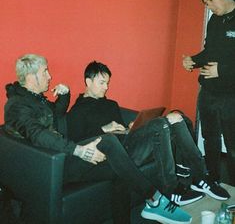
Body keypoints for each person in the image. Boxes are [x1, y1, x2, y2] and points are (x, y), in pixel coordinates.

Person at [4, 54, 192, 224]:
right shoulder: (16, 105)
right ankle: (154, 199)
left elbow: (58, 115)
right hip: (53, 165)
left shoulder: (36, 100)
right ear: (30, 77)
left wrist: (65, 94)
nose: (49, 76)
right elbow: (38, 134)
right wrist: (78, 150)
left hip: (63, 155)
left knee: (121, 167)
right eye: (44, 72)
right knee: (108, 141)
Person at [67, 60, 230, 204]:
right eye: (102, 83)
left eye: (107, 83)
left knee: (177, 118)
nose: (106, 87)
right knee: (160, 124)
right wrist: (104, 129)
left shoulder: (111, 105)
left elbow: (123, 131)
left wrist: (130, 127)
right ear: (88, 82)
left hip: (128, 145)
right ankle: (172, 190)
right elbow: (77, 141)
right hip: (111, 157)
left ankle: (201, 177)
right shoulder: (77, 111)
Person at [183, 0, 235, 187]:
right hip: (208, 92)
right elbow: (209, 51)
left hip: (230, 94)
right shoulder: (214, 20)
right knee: (210, 139)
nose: (210, 7)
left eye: (211, 1)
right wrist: (193, 61)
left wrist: (221, 70)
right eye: (206, 4)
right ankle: (212, 181)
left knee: (232, 144)